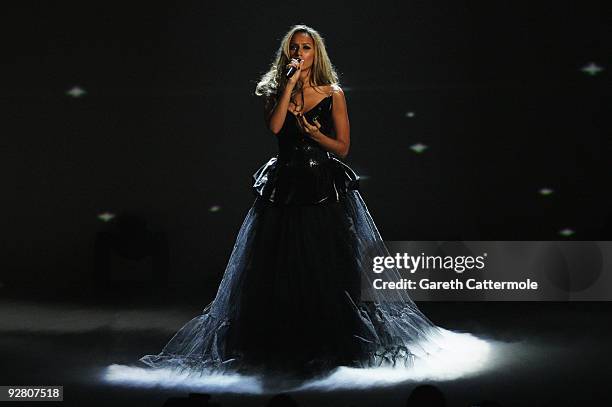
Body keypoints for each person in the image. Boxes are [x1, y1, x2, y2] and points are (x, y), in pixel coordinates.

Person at [140, 24, 442, 380]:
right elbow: (275, 127)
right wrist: (287, 86)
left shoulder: (333, 93)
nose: (300, 53)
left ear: (317, 53)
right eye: (295, 48)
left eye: (307, 48)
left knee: (329, 267)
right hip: (285, 184)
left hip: (321, 185)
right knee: (277, 269)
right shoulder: (273, 89)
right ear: (287, 53)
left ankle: (334, 344)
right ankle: (279, 343)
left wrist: (317, 135)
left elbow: (343, 147)